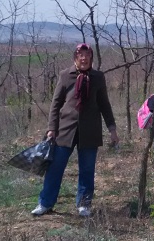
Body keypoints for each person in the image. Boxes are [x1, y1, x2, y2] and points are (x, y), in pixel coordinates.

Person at [31, 43, 120, 217]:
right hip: (65, 130)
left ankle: (84, 204)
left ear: (91, 58)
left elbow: (104, 104)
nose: (84, 58)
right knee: (55, 168)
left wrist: (112, 129)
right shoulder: (66, 75)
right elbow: (56, 104)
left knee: (87, 169)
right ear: (75, 58)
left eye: (87, 55)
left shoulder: (98, 77)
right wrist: (52, 128)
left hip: (90, 131)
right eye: (81, 55)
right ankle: (45, 203)